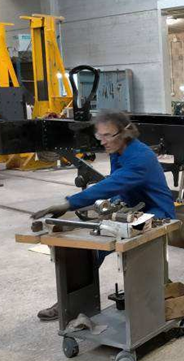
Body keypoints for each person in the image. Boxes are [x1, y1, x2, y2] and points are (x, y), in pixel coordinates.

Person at [31, 110, 176, 321]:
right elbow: (118, 184)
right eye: (100, 136)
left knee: (135, 252)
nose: (103, 141)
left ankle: (159, 296)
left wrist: (69, 203)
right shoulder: (117, 151)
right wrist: (108, 206)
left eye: (108, 135)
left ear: (125, 133)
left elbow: (112, 184)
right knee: (90, 251)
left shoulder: (141, 157)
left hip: (157, 213)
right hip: (132, 209)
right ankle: (70, 302)